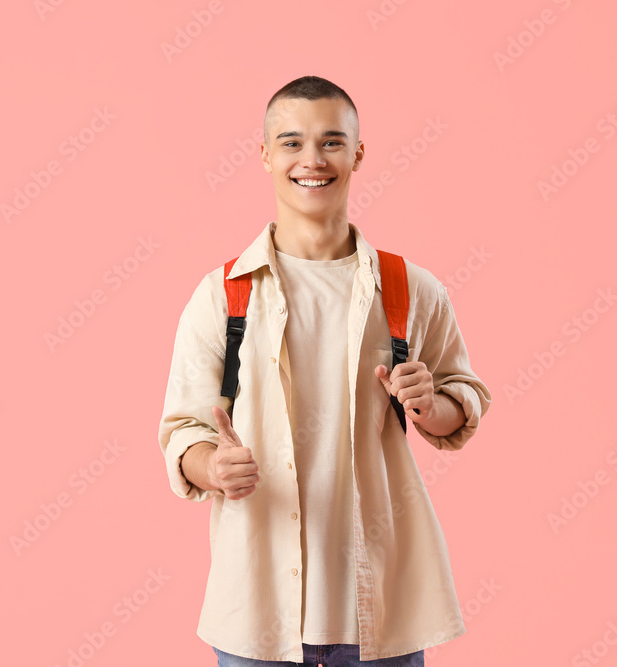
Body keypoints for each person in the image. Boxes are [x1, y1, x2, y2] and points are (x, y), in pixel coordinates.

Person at [158, 75, 491, 666]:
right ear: (264, 154)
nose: (312, 159)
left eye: (332, 142)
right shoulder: (223, 295)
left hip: (383, 608)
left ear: (359, 153)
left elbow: (459, 406)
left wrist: (428, 403)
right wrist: (214, 465)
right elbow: (182, 431)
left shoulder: (409, 288)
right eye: (290, 142)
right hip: (258, 611)